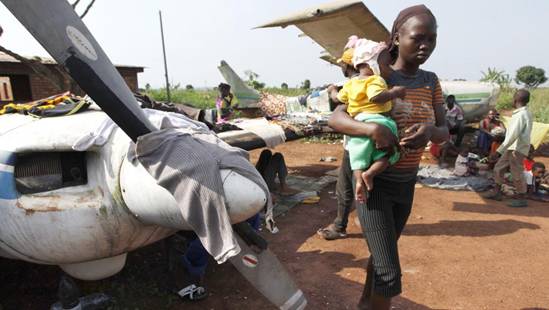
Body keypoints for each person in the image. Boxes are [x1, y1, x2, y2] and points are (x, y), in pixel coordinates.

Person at [328, 5, 448, 309]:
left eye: (431, 40)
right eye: (418, 38)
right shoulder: (376, 75)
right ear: (396, 38)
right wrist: (372, 131)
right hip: (374, 185)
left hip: (406, 185)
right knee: (389, 273)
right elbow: (336, 118)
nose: (425, 46)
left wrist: (431, 132)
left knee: (381, 255)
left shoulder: (430, 81)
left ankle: (364, 305)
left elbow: (446, 129)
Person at [317, 36, 360, 240]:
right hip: (362, 142)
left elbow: (336, 99)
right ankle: (345, 223)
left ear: (346, 64)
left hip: (355, 143)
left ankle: (342, 225)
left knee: (348, 185)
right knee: (353, 183)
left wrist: (333, 90)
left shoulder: (352, 84)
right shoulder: (373, 81)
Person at [484, 89, 533, 207]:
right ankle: (497, 192)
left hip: (517, 149)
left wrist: (498, 151)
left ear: (516, 99)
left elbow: (512, 135)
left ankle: (522, 197)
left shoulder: (521, 115)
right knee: (499, 167)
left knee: (517, 173)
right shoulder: (524, 113)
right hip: (512, 147)